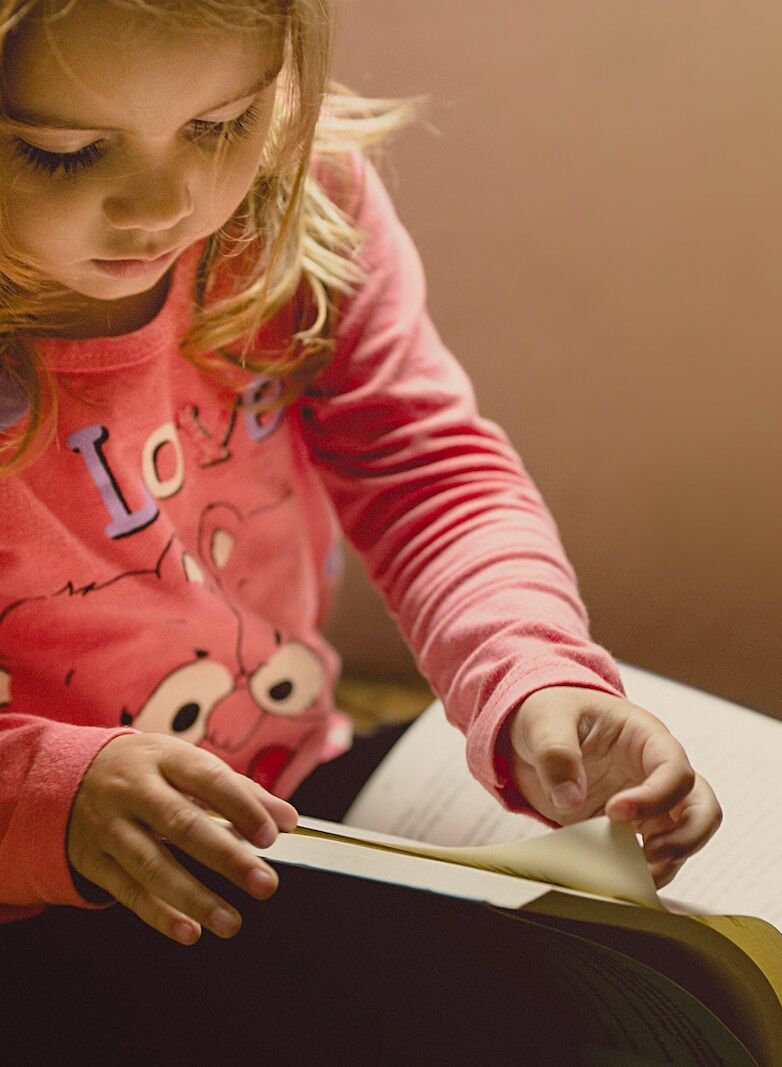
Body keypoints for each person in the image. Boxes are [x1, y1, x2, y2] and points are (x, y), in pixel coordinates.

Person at [0, 0, 721, 953]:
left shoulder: (292, 205)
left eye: (221, 124)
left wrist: (531, 668)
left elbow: (425, 470)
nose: (164, 206)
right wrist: (51, 790)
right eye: (61, 151)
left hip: (289, 802)